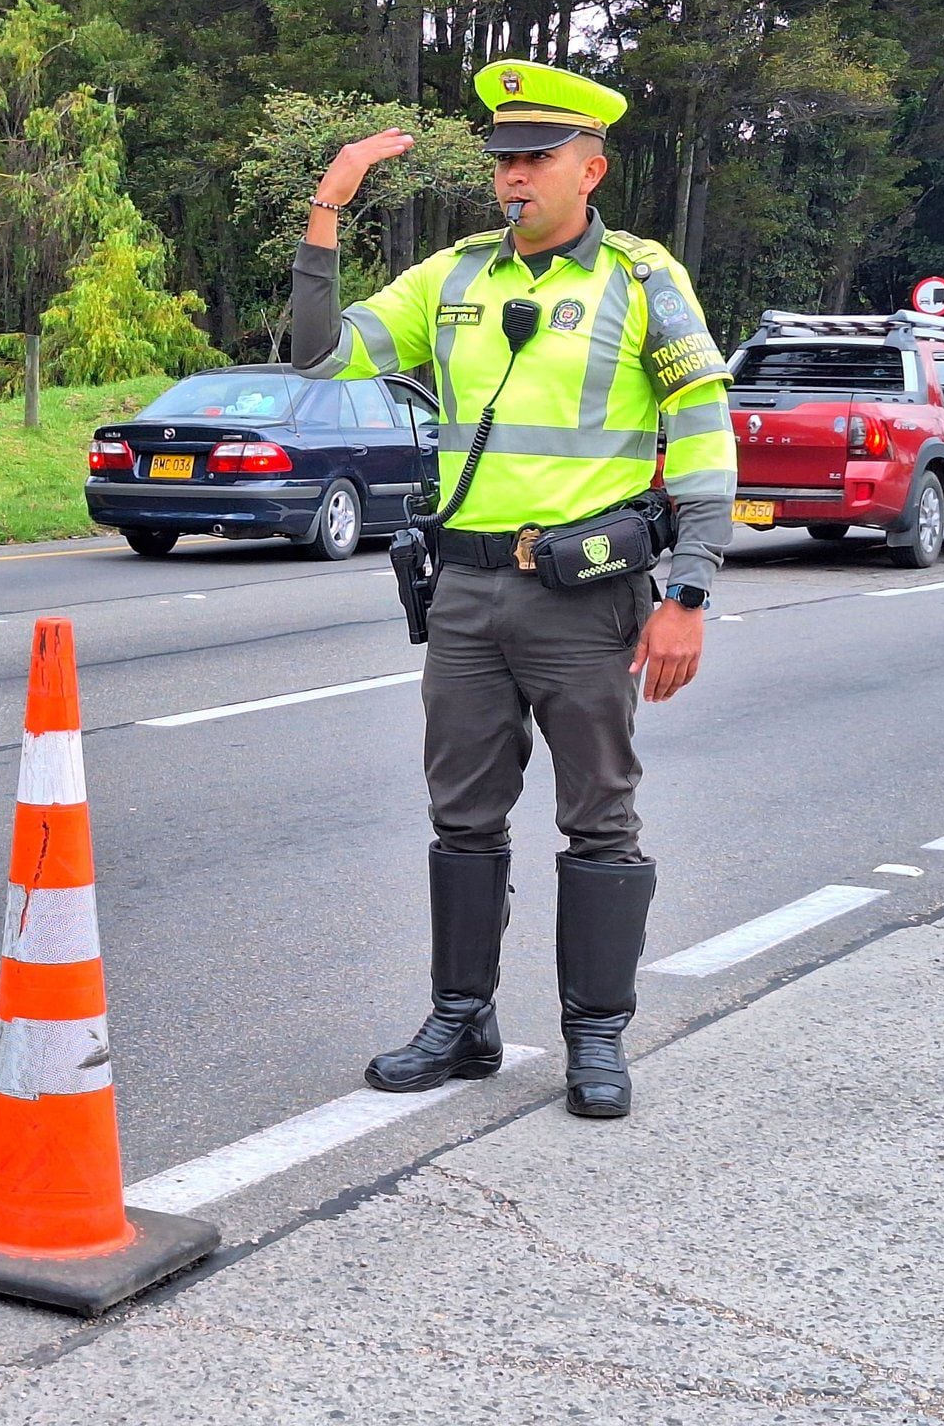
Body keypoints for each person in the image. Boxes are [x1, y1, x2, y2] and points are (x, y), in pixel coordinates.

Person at [290, 59, 737, 1118]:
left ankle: (593, 1038)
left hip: (587, 599)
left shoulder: (638, 277)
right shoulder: (449, 280)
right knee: (462, 820)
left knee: (597, 821)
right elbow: (315, 358)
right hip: (466, 596)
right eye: (500, 160)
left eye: (534, 158)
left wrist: (689, 591)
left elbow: (701, 433)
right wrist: (326, 209)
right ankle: (461, 1018)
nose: (512, 177)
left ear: (591, 168)